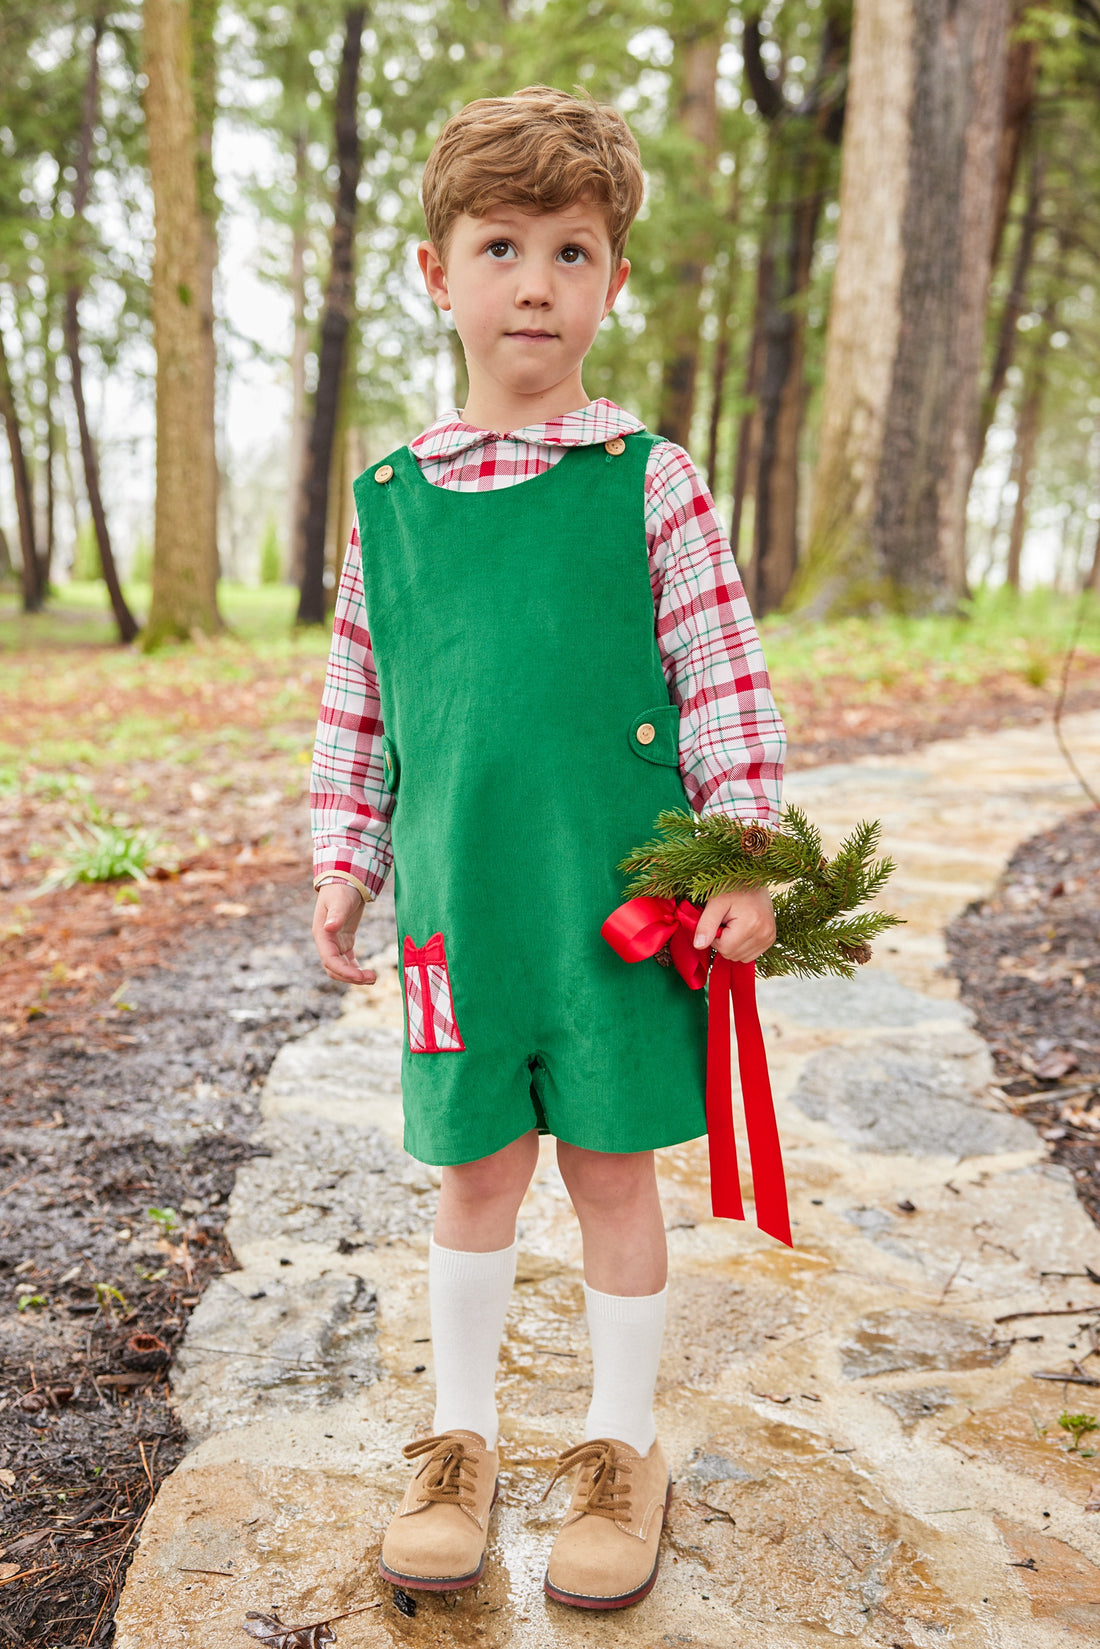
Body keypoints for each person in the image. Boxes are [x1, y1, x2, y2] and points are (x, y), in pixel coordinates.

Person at [309, 85, 785, 1612]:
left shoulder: (648, 479)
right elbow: (359, 697)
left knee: (609, 1163)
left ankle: (615, 1444)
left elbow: (723, 678)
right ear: (436, 272)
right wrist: (346, 856)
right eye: (500, 245)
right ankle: (458, 1437)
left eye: (571, 251)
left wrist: (745, 856)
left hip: (612, 908)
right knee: (474, 1167)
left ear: (612, 283)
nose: (535, 280)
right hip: (457, 912)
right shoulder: (388, 504)